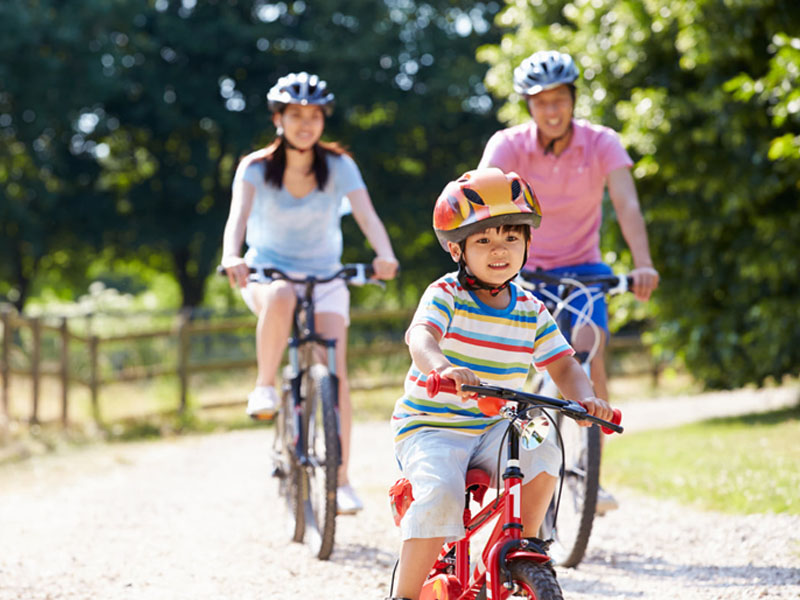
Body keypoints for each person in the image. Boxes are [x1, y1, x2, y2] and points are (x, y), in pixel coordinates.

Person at [387, 168, 613, 600]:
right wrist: (443, 368)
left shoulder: (530, 307)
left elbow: (564, 364)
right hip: (432, 425)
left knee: (545, 446)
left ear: (527, 244)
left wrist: (585, 398)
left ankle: (520, 545)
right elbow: (421, 337)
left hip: (496, 426)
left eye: (511, 238)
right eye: (485, 240)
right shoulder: (446, 293)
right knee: (440, 497)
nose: (499, 251)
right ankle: (405, 595)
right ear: (458, 248)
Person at [478, 50, 659, 513]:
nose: (552, 110)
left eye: (560, 99)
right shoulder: (509, 145)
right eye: (541, 102)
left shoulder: (601, 143)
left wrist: (642, 263)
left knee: (587, 346)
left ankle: (588, 472)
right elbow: (482, 199)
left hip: (583, 268)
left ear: (573, 99)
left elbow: (627, 206)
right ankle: (525, 457)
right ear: (528, 106)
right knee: (521, 367)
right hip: (525, 269)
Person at [221, 71, 399, 514]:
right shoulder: (256, 167)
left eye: (314, 116)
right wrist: (232, 255)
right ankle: (264, 387)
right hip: (268, 274)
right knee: (280, 296)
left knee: (333, 371)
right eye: (295, 115)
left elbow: (367, 215)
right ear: (278, 118)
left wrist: (385, 253)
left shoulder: (339, 165)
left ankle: (340, 482)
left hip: (325, 278)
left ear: (323, 120)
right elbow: (237, 219)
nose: (305, 124)